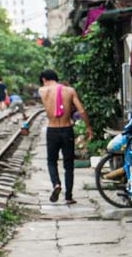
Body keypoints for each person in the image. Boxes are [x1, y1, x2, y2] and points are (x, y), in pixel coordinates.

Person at [38, 69, 92, 205]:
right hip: (67, 129)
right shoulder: (69, 91)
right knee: (68, 165)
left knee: (51, 161)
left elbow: (49, 93)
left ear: (44, 79)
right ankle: (68, 196)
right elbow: (81, 110)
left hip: (52, 130)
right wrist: (88, 127)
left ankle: (56, 184)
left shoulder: (42, 91)